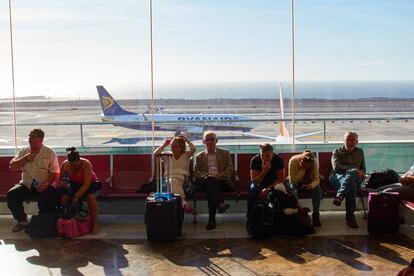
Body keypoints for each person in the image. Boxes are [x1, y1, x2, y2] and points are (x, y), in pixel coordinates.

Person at [7, 128, 60, 232]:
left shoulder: (49, 152)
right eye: (29, 136)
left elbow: (55, 172)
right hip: (26, 185)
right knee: (11, 195)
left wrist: (47, 184)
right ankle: (22, 221)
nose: (30, 138)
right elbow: (12, 166)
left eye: (33, 136)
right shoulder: (23, 151)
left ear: (40, 140)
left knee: (48, 197)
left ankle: (43, 222)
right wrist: (25, 158)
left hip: (42, 185)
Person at [57, 147, 101, 235]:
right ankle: (68, 222)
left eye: (75, 165)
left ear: (79, 160)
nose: (73, 167)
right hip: (73, 185)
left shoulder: (86, 164)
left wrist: (76, 196)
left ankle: (96, 224)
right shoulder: (65, 165)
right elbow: (60, 180)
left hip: (90, 185)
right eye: (71, 165)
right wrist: (63, 183)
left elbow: (86, 184)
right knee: (64, 197)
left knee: (90, 197)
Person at [195, 131, 233, 230]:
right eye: (208, 140)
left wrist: (220, 175)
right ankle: (220, 204)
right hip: (206, 181)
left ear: (216, 141)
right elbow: (196, 173)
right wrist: (208, 175)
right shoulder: (199, 156)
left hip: (222, 182)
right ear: (204, 142)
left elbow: (230, 169)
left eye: (212, 139)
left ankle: (212, 220)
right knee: (210, 181)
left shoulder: (225, 153)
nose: (210, 141)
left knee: (211, 190)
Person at [329, 131, 366, 229]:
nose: (349, 142)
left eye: (352, 140)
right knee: (352, 185)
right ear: (343, 140)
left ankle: (340, 196)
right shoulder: (336, 152)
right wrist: (353, 170)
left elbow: (363, 169)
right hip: (337, 177)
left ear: (357, 142)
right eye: (347, 139)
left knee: (352, 181)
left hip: (355, 178)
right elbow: (337, 168)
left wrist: (361, 173)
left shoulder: (360, 152)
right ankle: (350, 217)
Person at [154, 135, 196, 214]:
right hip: (168, 180)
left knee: (173, 182)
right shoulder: (167, 155)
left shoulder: (186, 155)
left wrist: (185, 138)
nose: (173, 147)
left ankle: (181, 205)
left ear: (181, 147)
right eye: (172, 145)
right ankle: (184, 203)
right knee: (173, 181)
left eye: (176, 146)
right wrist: (164, 145)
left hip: (184, 180)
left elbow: (193, 148)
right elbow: (155, 154)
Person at [248, 143, 285, 221]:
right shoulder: (255, 160)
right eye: (262, 156)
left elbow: (280, 180)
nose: (264, 158)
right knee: (254, 190)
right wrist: (264, 170)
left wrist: (268, 189)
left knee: (279, 192)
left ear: (272, 154)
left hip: (273, 183)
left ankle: (277, 217)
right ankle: (252, 216)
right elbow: (255, 181)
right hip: (259, 182)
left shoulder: (278, 160)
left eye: (267, 156)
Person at [288, 149, 322, 227]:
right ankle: (299, 212)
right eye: (304, 165)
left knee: (317, 188)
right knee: (291, 188)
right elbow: (292, 180)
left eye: (308, 166)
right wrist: (303, 169)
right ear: (300, 160)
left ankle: (316, 214)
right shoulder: (293, 160)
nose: (307, 167)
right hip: (296, 182)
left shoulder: (314, 162)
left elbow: (316, 179)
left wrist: (311, 185)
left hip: (309, 182)